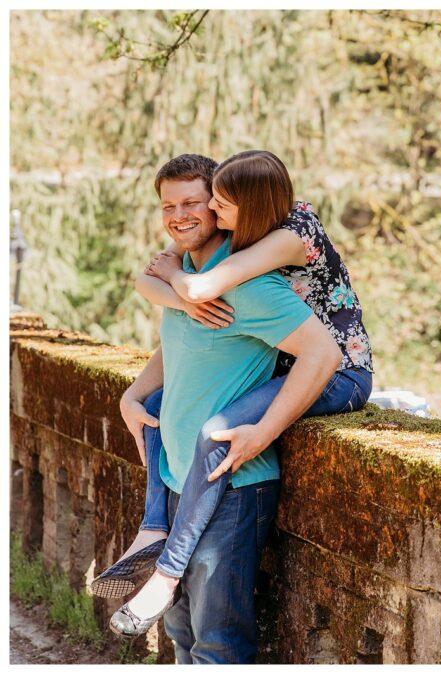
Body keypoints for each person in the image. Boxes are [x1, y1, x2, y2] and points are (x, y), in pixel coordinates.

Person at [97, 153, 370, 662]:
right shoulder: (205, 263)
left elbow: (322, 353)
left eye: (207, 204)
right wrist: (132, 394)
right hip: (184, 480)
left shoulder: (253, 275)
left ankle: (165, 567)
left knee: (216, 645)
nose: (191, 215)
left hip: (246, 471)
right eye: (169, 206)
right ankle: (153, 526)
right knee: (181, 636)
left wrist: (263, 431)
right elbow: (176, 334)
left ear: (242, 207)